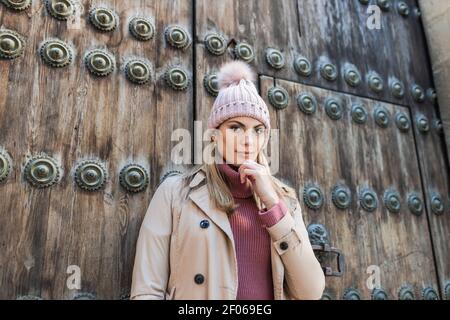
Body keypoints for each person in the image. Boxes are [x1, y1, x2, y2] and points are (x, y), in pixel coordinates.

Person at [130, 60, 325, 300]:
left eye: (258, 130)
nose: (248, 140)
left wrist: (273, 205)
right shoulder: (175, 194)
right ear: (214, 136)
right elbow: (147, 290)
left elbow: (311, 292)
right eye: (236, 127)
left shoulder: (284, 201)